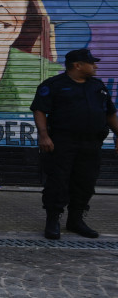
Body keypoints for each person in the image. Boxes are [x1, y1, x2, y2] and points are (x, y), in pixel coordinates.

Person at [30, 48, 118, 240]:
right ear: (77, 65)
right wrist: (44, 135)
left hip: (91, 143)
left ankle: (76, 220)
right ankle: (53, 221)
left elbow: (109, 113)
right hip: (62, 142)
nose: (95, 66)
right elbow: (39, 110)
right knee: (58, 182)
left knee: (85, 182)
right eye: (91, 63)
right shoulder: (54, 85)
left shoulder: (98, 86)